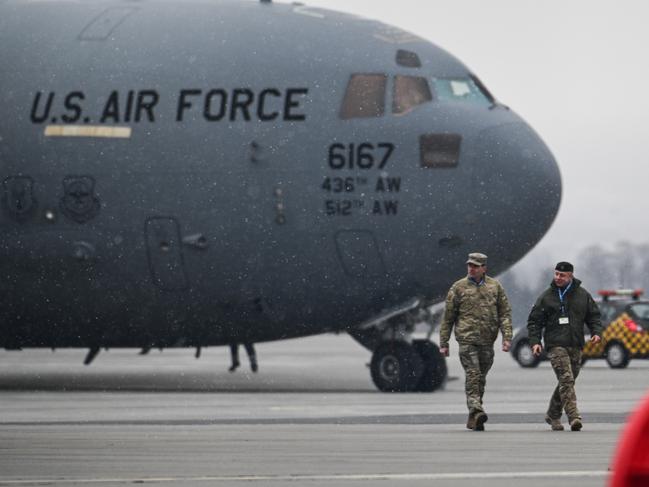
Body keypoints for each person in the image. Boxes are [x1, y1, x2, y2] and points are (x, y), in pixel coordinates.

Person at [440, 252, 512, 431]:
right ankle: (476, 408)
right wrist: (444, 342)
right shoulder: (458, 287)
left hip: (487, 340)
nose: (471, 268)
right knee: (473, 374)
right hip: (467, 339)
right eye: (469, 265)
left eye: (475, 266)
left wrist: (507, 337)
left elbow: (504, 313)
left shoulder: (495, 287)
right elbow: (448, 317)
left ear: (484, 268)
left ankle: (474, 418)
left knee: (481, 378)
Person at [527, 261, 602, 431]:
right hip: (556, 345)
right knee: (566, 379)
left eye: (562, 275)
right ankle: (574, 416)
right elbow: (534, 322)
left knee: (567, 381)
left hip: (575, 344)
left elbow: (594, 316)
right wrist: (535, 342)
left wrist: (596, 332)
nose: (558, 278)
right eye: (556, 274)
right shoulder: (546, 297)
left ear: (570, 276)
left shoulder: (582, 295)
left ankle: (553, 414)